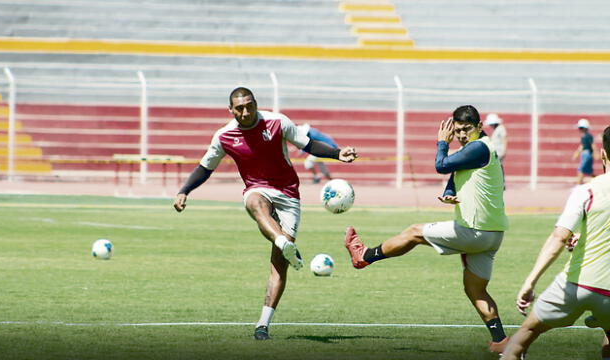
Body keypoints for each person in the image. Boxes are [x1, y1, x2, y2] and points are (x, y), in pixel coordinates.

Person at [173, 87, 358, 340]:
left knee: (279, 265)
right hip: (257, 189)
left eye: (250, 105)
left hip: (289, 194)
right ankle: (282, 241)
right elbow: (205, 168)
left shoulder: (277, 122)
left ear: (256, 103)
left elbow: (309, 144)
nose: (246, 111)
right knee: (254, 203)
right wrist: (184, 191)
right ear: (231, 110)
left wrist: (338, 153)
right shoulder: (225, 136)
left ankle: (263, 324)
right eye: (239, 107)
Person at [344, 105, 510, 354]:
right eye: (457, 130)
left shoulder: (477, 147)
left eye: (467, 130)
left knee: (414, 231)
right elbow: (455, 174)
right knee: (475, 289)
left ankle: (364, 255)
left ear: (479, 127)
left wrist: (442, 142)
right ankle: (502, 342)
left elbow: (442, 166)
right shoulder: (477, 148)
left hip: (474, 232)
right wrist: (449, 192)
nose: (462, 135)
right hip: (493, 234)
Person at [501, 125, 610, 360]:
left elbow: (559, 237)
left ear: (602, 153)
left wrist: (530, 283)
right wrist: (586, 237)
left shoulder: (587, 191)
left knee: (524, 334)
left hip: (576, 284)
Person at [572, 118, 595, 185]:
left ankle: (579, 185)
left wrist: (577, 153)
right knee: (590, 172)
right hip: (587, 154)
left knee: (581, 170)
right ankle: (598, 182)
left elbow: (591, 145)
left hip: (586, 154)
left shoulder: (586, 136)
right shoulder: (586, 136)